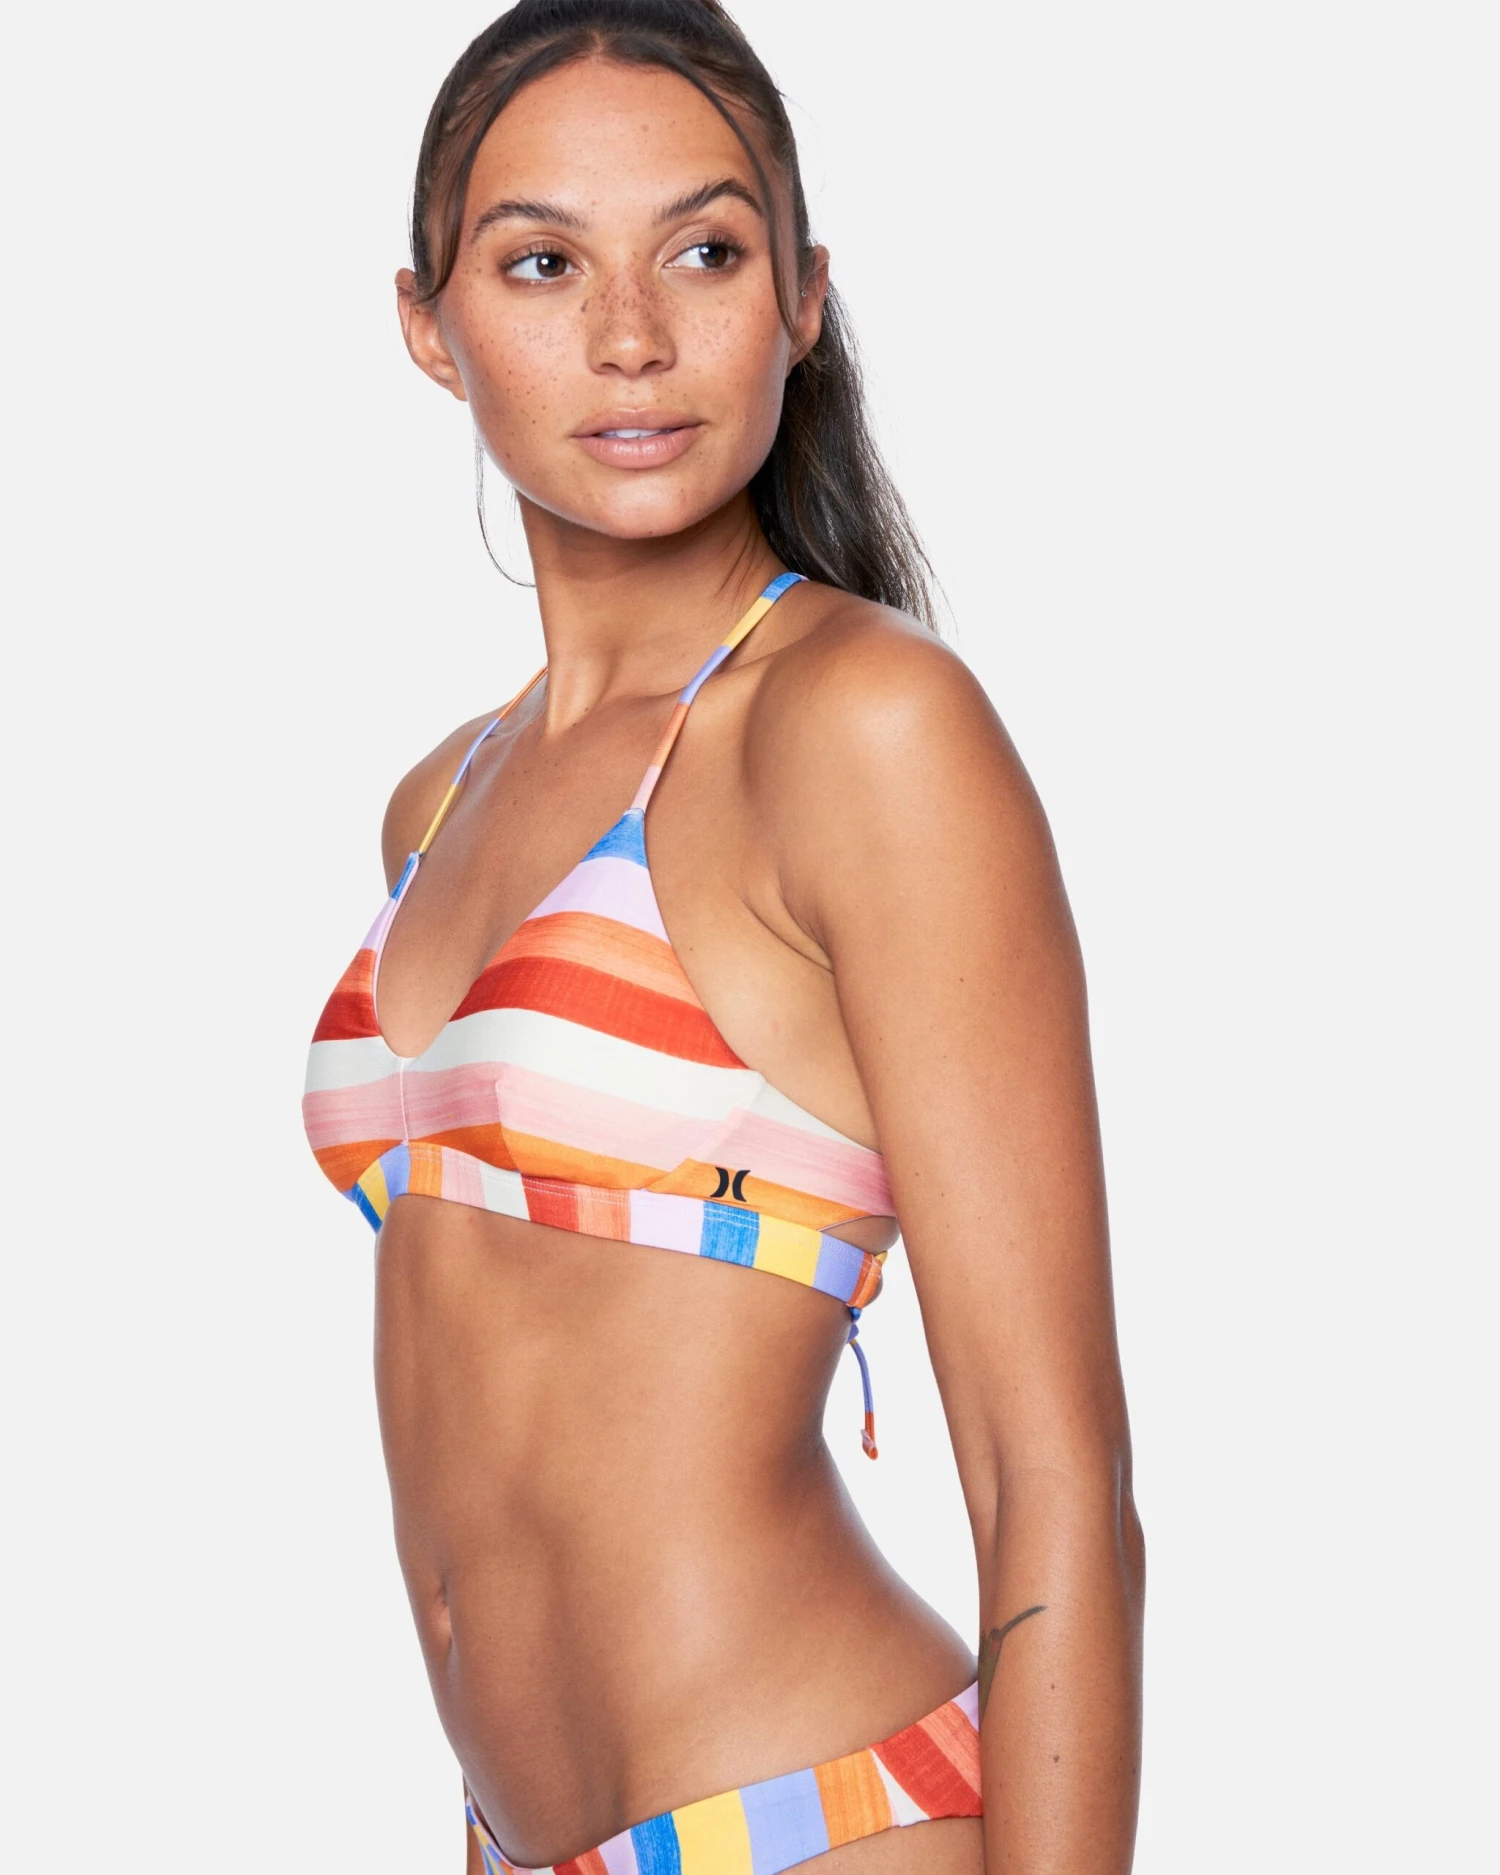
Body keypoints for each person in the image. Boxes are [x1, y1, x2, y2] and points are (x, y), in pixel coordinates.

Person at [302, 3, 1144, 1869]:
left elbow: (1055, 1476)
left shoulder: (865, 729)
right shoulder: (438, 799)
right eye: (542, 264)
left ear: (804, 296)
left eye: (704, 251)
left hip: (814, 1820)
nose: (631, 334)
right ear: (429, 325)